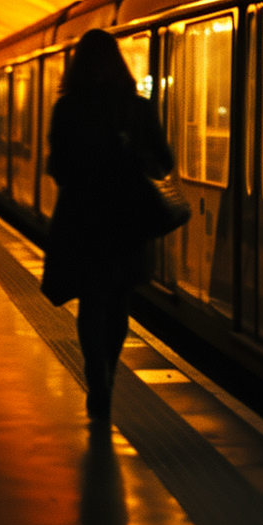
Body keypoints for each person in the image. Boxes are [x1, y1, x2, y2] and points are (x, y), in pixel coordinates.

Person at [41, 29, 173, 422]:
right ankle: (109, 375)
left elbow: (57, 168)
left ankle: (94, 377)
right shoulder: (138, 108)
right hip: (127, 219)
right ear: (118, 63)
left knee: (91, 300)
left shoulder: (67, 109)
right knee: (118, 301)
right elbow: (163, 162)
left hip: (82, 219)